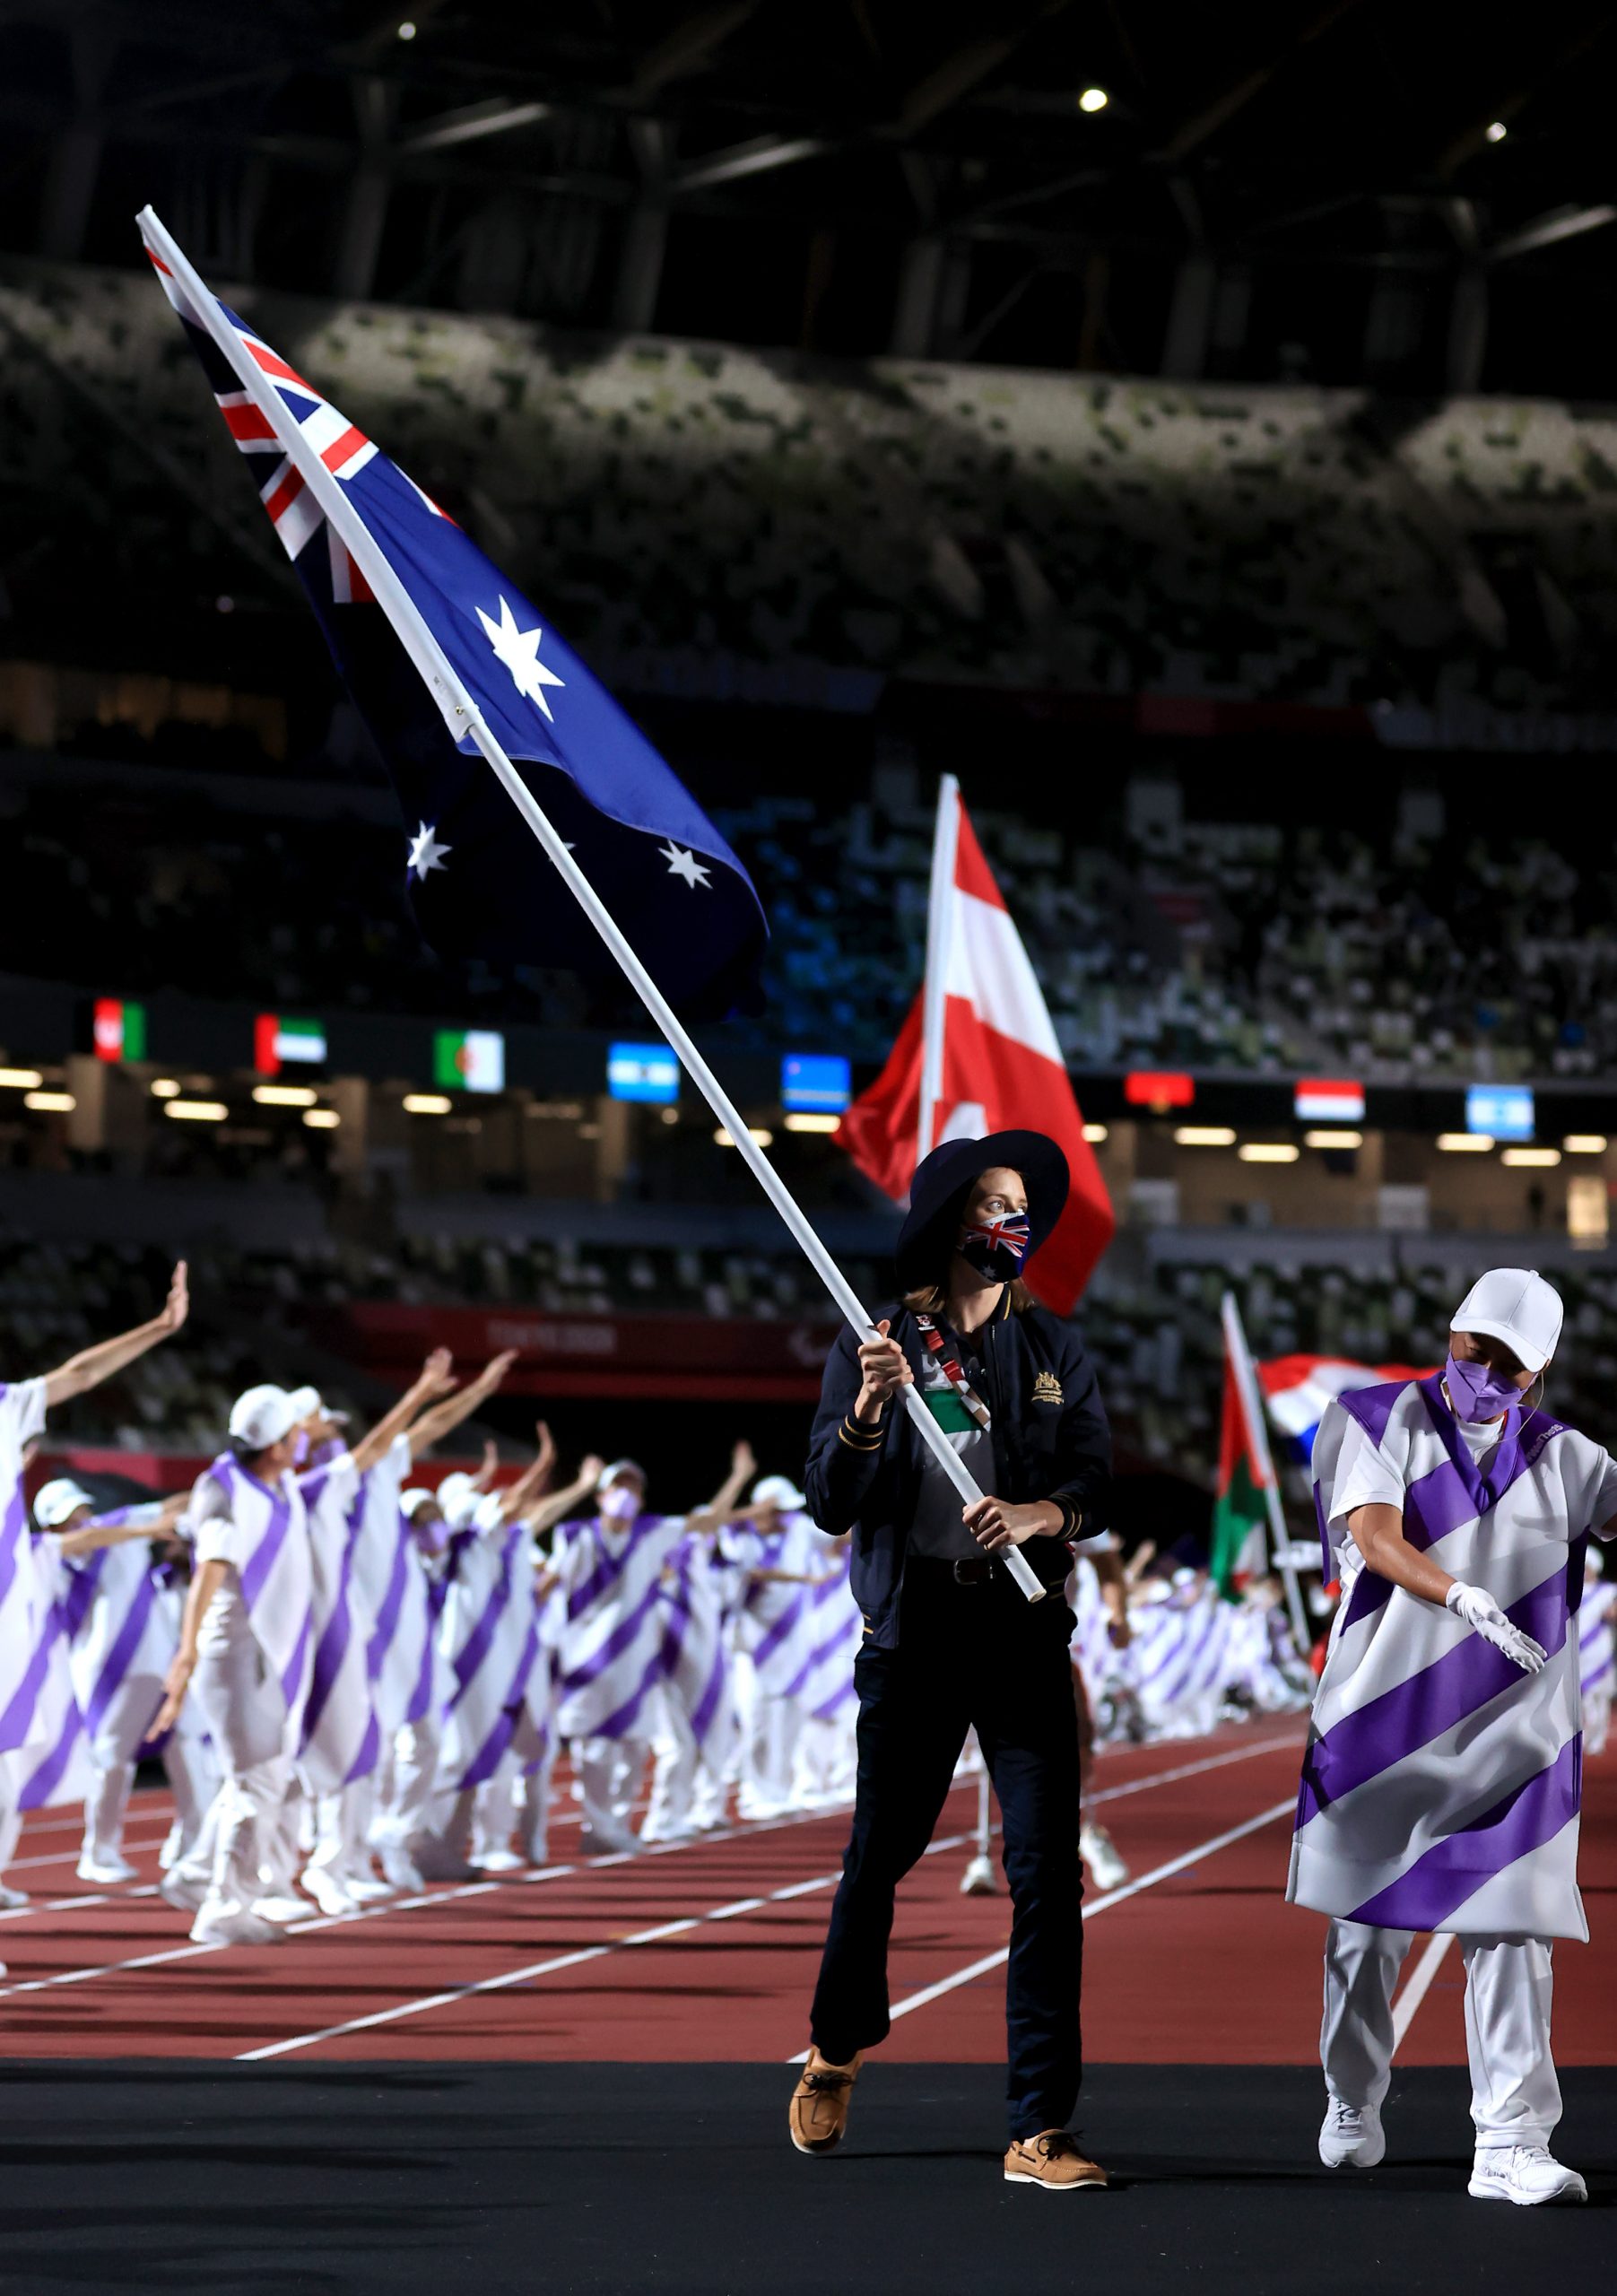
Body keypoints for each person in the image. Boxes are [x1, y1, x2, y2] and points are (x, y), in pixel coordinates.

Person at [787, 1132, 1113, 2193]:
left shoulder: (1053, 1348)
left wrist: (1038, 1514)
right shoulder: (876, 1343)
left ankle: (1040, 2125)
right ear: (947, 1220)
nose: (1014, 1221)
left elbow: (1097, 1486)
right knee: (878, 1856)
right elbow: (829, 1501)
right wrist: (870, 1409)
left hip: (1018, 1632)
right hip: (914, 1634)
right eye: (993, 1204)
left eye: (1022, 1205)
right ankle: (836, 2046)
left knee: (1046, 1875)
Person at [1294, 1267, 1617, 2206]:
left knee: (1515, 1932)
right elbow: (1375, 1534)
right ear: (1452, 1332)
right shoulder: (1377, 1418)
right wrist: (1460, 1594)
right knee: (1364, 1931)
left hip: (1515, 1734)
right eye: (1477, 1350)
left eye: (1512, 1365)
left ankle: (1511, 2142)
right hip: (1380, 1720)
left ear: (1539, 1370)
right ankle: (1352, 2096)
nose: (1487, 1373)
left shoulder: (1569, 1457)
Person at [0, 1261, 190, 1926]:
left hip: (7, 1624)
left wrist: (160, 1327)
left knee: (5, 1770)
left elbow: (80, 1374)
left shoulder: (8, 1406)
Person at [157, 1383, 315, 1945]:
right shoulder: (223, 1489)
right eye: (294, 1434)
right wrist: (186, 1653)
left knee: (255, 1778)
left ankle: (195, 1874)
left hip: (265, 1655)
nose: (302, 1440)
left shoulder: (274, 1485)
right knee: (259, 1784)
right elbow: (211, 1568)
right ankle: (225, 1908)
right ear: (275, 1445)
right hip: (238, 1656)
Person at [30, 1479, 205, 1884]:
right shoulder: (47, 1555)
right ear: (51, 1526)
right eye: (68, 1518)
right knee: (111, 1762)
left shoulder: (120, 1529)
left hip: (160, 1663)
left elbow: (172, 1504)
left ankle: (194, 1850)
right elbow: (87, 1539)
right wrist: (141, 1529)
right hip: (104, 1673)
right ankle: (99, 1852)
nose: (81, 1522)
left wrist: (211, 1488)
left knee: (190, 1750)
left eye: (82, 1512)